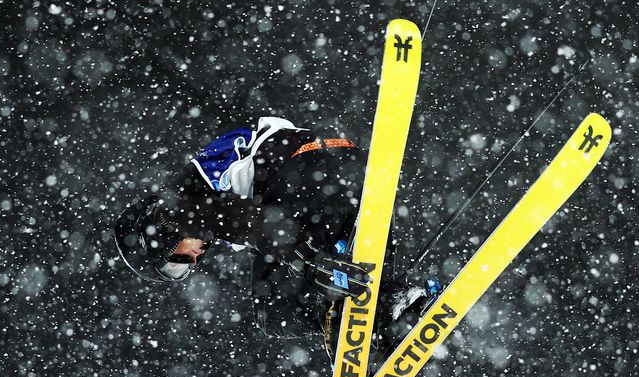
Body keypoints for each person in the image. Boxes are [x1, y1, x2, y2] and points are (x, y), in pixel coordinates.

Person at [113, 116, 433, 359]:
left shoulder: (180, 207)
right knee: (365, 283)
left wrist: (304, 259)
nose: (191, 262)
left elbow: (255, 223)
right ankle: (399, 307)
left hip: (308, 176)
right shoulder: (203, 188)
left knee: (273, 312)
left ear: (158, 238)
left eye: (175, 263)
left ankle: (343, 315)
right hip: (350, 169)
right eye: (182, 270)